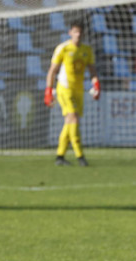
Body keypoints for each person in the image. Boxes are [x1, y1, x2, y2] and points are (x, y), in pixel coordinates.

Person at [44, 21, 99, 167]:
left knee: (69, 122)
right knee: (73, 118)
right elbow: (52, 71)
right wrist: (49, 91)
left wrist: (96, 84)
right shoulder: (63, 48)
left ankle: (60, 156)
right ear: (70, 32)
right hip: (65, 88)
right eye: (75, 31)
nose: (78, 34)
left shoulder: (87, 50)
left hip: (78, 90)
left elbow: (92, 71)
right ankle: (80, 156)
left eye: (80, 32)